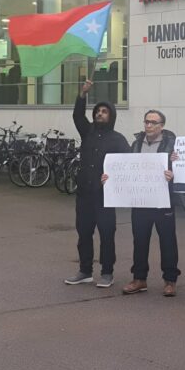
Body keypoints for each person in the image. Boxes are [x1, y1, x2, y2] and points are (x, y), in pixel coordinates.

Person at [64, 79, 130, 288]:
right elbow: (77, 115)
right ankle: (85, 271)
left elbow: (127, 165)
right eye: (98, 111)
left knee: (107, 234)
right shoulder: (88, 132)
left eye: (105, 111)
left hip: (105, 196)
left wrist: (113, 178)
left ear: (111, 116)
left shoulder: (118, 139)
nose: (100, 114)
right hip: (84, 193)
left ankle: (107, 272)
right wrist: (82, 94)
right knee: (84, 233)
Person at [116, 110, 179, 297]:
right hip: (141, 200)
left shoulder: (172, 145)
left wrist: (173, 174)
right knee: (140, 240)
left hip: (163, 200)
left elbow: (184, 169)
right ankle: (139, 279)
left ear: (162, 126)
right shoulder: (136, 144)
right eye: (146, 121)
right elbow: (126, 168)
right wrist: (110, 178)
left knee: (168, 241)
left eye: (153, 122)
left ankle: (170, 280)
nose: (149, 125)